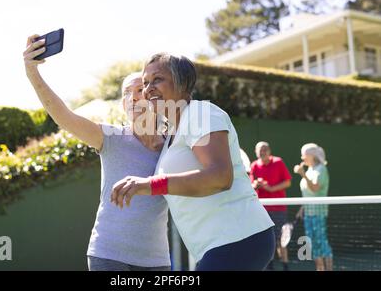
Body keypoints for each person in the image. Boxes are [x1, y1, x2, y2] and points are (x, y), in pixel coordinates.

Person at [110, 52, 275, 271]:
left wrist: (149, 184)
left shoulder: (199, 113)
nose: (148, 89)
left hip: (238, 238)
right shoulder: (170, 133)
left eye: (157, 79)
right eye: (146, 82)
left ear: (183, 84)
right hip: (217, 245)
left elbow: (219, 177)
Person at [23, 36, 171, 271]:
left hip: (157, 262)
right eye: (126, 93)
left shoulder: (172, 145)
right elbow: (63, 115)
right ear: (123, 105)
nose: (132, 97)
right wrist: (33, 73)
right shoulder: (110, 138)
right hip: (109, 256)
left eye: (140, 89)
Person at [250, 141, 292, 271]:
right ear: (256, 152)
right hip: (261, 210)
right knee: (267, 242)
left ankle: (285, 267)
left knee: (281, 241)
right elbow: (251, 186)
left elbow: (287, 182)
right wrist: (256, 185)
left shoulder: (279, 162)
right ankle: (270, 268)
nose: (263, 152)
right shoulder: (254, 166)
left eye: (265, 149)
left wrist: (272, 188)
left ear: (269, 151)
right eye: (260, 150)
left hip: (279, 209)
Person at [294, 143, 333, 271]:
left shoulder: (321, 169)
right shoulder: (310, 170)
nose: (302, 158)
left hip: (319, 212)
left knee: (322, 242)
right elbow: (307, 194)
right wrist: (302, 209)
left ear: (311, 155)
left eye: (304, 155)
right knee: (313, 245)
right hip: (308, 213)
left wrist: (302, 174)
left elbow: (315, 189)